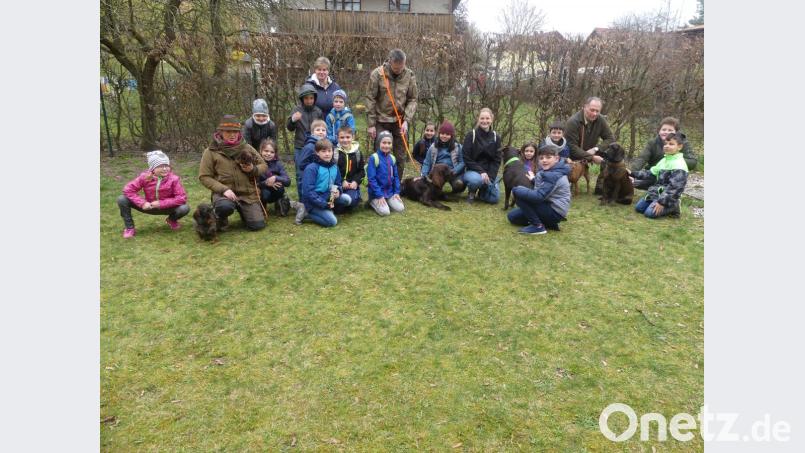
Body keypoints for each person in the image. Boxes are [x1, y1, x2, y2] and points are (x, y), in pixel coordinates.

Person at [199, 115, 268, 232]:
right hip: (223, 194)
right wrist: (223, 189)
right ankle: (219, 216)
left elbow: (264, 165)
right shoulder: (210, 151)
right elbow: (204, 176)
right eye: (228, 132)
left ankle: (244, 211)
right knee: (224, 207)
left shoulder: (247, 147)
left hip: (247, 194)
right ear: (220, 132)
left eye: (235, 132)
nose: (232, 135)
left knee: (258, 225)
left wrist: (252, 169)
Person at [365, 49, 418, 179]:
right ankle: (378, 186)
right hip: (381, 120)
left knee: (400, 156)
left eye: (401, 68)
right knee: (380, 155)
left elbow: (413, 99)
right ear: (390, 62)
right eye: (396, 68)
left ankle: (396, 188)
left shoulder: (409, 75)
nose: (399, 71)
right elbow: (370, 98)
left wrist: (407, 120)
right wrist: (371, 124)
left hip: (400, 121)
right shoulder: (377, 74)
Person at [117, 150, 189, 238]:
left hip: (167, 207)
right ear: (152, 168)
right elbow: (128, 190)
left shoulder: (174, 179)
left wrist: (161, 203)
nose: (165, 168)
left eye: (167, 166)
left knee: (184, 208)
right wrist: (142, 203)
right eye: (161, 166)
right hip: (148, 206)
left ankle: (171, 220)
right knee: (122, 199)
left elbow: (181, 198)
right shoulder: (144, 177)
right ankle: (129, 228)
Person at [507, 144, 571, 235]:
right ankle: (548, 223)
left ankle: (538, 226)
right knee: (512, 217)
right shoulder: (551, 170)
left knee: (518, 193)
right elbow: (545, 186)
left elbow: (539, 196)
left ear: (556, 158)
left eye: (548, 157)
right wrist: (533, 180)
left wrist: (517, 189)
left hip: (554, 211)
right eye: (541, 158)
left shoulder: (554, 175)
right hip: (546, 206)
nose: (544, 160)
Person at [630, 132, 688, 219]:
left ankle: (674, 207)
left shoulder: (679, 165)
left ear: (679, 147)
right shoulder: (664, 160)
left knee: (649, 214)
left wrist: (662, 202)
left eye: (671, 144)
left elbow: (674, 188)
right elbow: (650, 173)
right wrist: (632, 173)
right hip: (656, 192)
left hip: (668, 197)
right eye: (666, 143)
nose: (667, 146)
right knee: (639, 208)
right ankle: (655, 202)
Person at [630, 116, 698, 189]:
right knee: (633, 181)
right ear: (659, 131)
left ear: (676, 132)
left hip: (672, 175)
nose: (666, 132)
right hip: (654, 173)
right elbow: (641, 159)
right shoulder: (652, 143)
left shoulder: (683, 143)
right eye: (664, 129)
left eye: (670, 130)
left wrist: (672, 160)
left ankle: (670, 194)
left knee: (671, 187)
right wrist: (631, 173)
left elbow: (693, 162)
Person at [564, 96, 614, 194]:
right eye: (592, 110)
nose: (594, 113)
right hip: (573, 155)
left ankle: (601, 186)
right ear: (585, 107)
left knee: (612, 152)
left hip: (591, 151)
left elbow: (610, 138)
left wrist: (596, 149)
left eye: (597, 111)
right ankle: (567, 181)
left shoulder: (601, 120)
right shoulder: (573, 122)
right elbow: (572, 147)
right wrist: (591, 157)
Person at [300, 139, 352, 227]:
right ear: (317, 152)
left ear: (332, 152)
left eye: (329, 151)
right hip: (313, 202)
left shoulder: (334, 166)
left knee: (347, 199)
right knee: (332, 222)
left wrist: (338, 191)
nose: (327, 154)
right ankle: (306, 213)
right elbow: (309, 192)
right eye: (323, 151)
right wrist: (324, 204)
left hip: (328, 196)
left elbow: (337, 183)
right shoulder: (311, 168)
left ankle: (326, 211)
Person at [462, 107, 501, 203]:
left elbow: (497, 160)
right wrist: (481, 172)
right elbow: (466, 158)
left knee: (494, 199)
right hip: (473, 171)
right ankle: (472, 192)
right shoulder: (471, 135)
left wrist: (490, 177)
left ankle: (483, 191)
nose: (485, 121)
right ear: (478, 119)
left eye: (487, 118)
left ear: (492, 119)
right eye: (482, 118)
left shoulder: (496, 137)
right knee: (476, 180)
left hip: (489, 173)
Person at [294, 119, 330, 224]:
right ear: (312, 132)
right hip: (306, 177)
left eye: (323, 130)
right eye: (318, 129)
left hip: (318, 177)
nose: (321, 132)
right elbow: (301, 164)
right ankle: (302, 211)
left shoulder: (325, 145)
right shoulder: (310, 146)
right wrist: (314, 166)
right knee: (306, 199)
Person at [419, 120, 466, 194]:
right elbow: (427, 162)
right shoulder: (433, 147)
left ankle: (455, 190)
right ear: (439, 134)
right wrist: (424, 174)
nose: (444, 136)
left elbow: (462, 162)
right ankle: (436, 189)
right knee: (431, 187)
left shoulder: (458, 147)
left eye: (447, 134)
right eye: (442, 133)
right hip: (437, 172)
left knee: (459, 184)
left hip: (452, 172)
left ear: (451, 136)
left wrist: (455, 171)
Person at [366, 131, 405, 216]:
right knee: (385, 212)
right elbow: (371, 179)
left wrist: (396, 192)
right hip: (376, 193)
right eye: (384, 143)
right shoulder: (374, 158)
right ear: (379, 143)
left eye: (389, 143)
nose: (386, 145)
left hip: (389, 192)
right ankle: (371, 201)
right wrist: (379, 195)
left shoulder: (392, 158)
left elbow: (396, 177)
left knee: (400, 208)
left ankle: (387, 200)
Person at [287, 83, 324, 161]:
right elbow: (290, 128)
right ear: (302, 99)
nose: (309, 101)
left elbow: (323, 128)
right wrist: (293, 120)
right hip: (300, 146)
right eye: (306, 98)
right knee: (300, 170)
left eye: (311, 98)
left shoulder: (318, 111)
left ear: (314, 99)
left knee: (313, 169)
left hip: (315, 146)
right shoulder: (297, 110)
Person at [333, 125, 364, 212]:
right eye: (342, 137)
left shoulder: (357, 153)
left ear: (352, 137)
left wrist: (355, 182)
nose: (345, 140)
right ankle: (338, 199)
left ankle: (354, 196)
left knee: (352, 202)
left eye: (348, 137)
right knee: (337, 210)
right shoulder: (335, 152)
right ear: (337, 138)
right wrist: (342, 181)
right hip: (337, 183)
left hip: (351, 185)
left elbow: (361, 171)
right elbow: (332, 170)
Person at [257, 139, 291, 212]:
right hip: (263, 189)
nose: (269, 154)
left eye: (272, 152)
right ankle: (262, 206)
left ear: (275, 153)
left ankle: (279, 202)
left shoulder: (278, 164)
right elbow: (255, 184)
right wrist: (266, 183)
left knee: (280, 188)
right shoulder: (256, 164)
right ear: (260, 151)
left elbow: (288, 181)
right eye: (266, 151)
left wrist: (275, 177)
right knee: (265, 194)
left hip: (275, 189)